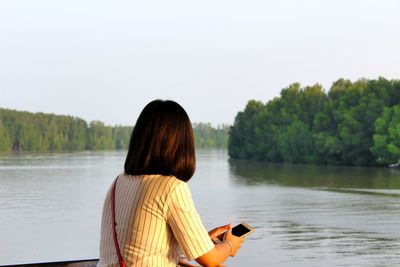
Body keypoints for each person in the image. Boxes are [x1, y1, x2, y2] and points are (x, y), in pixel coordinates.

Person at [97, 100, 244, 267]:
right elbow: (210, 260)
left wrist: (201, 241)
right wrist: (230, 244)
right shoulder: (171, 188)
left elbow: (140, 247)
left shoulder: (118, 183)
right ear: (181, 144)